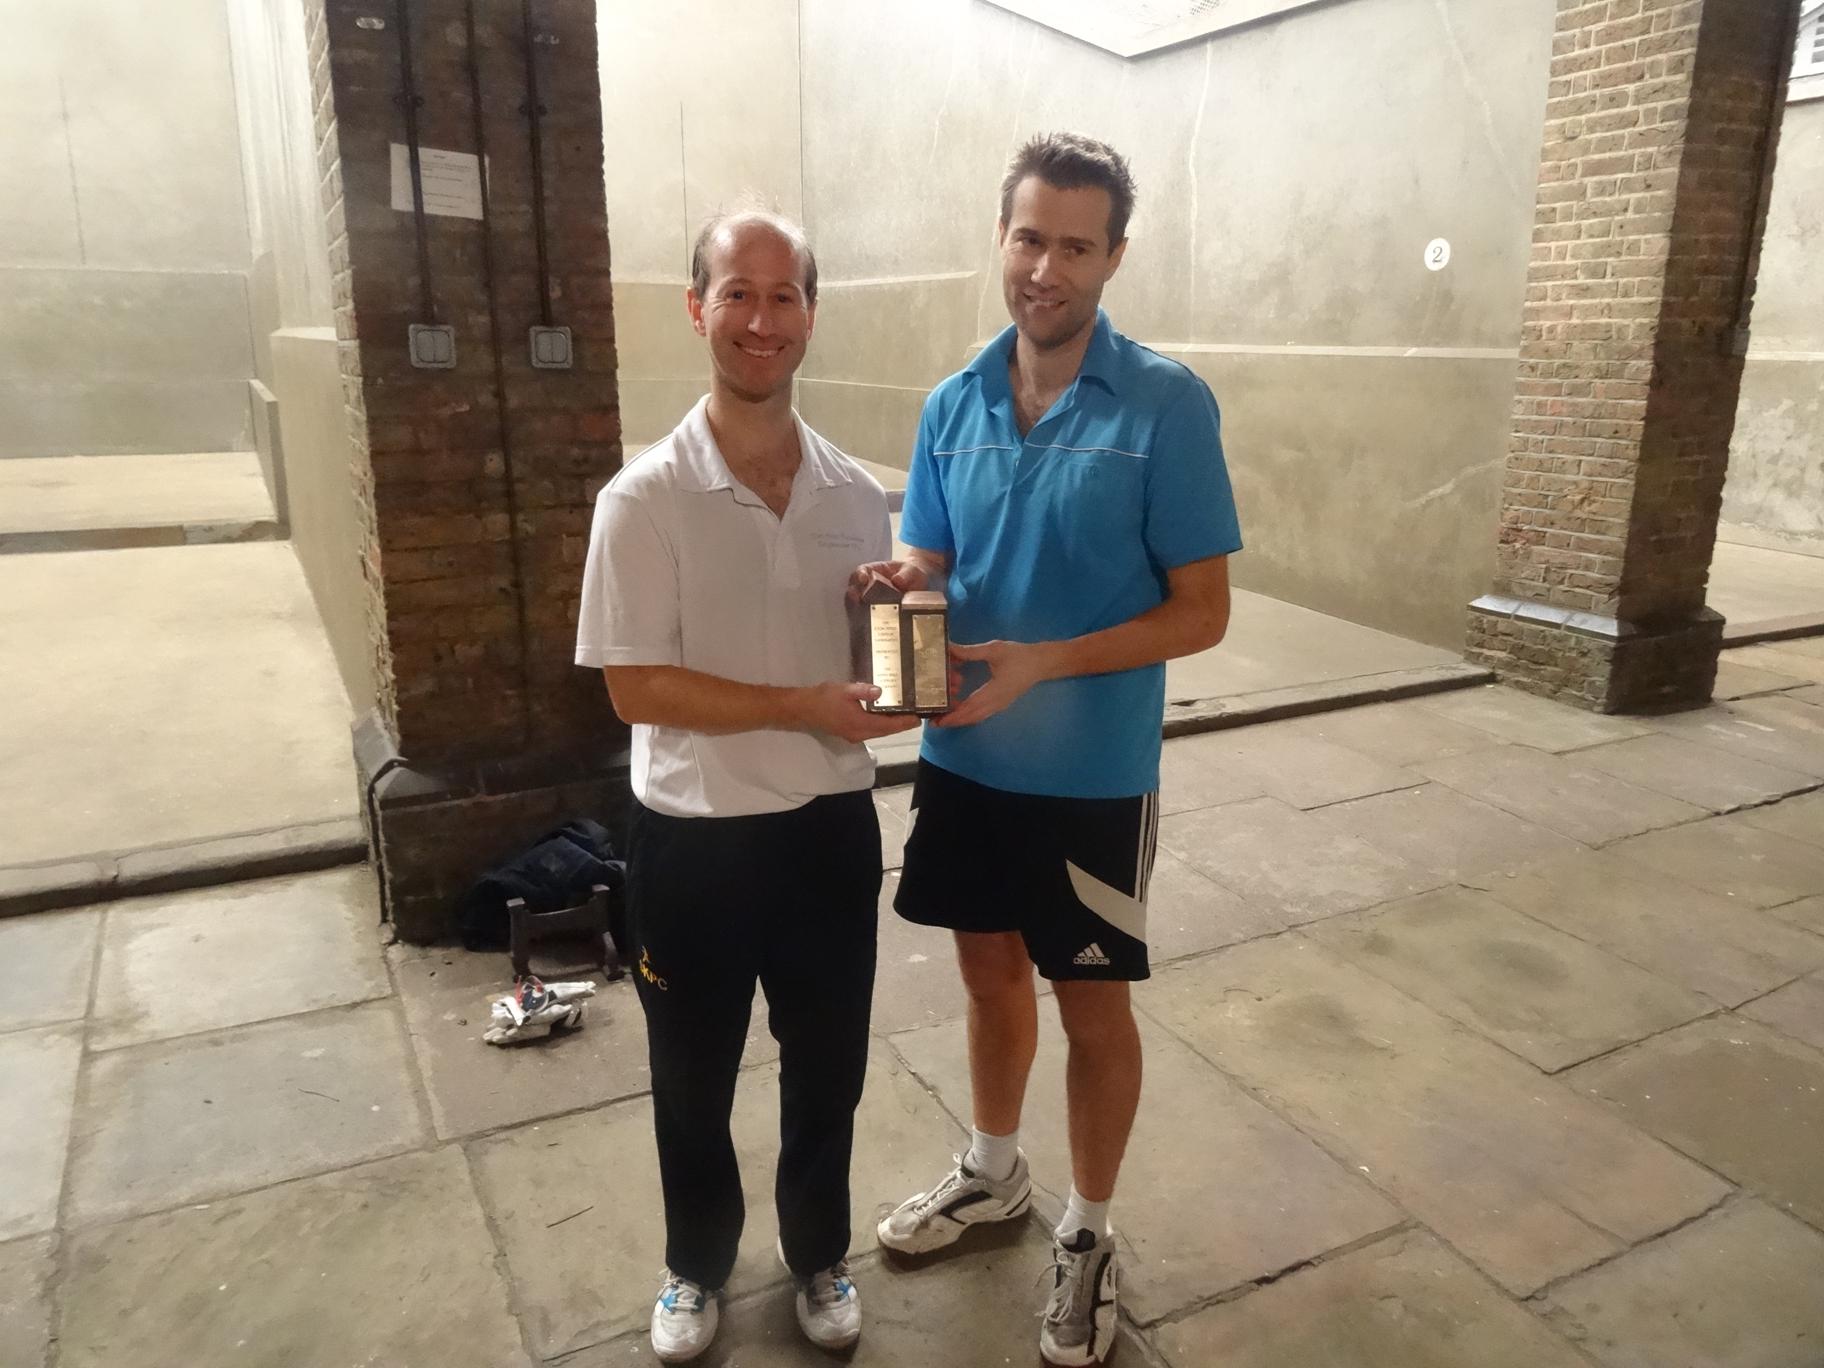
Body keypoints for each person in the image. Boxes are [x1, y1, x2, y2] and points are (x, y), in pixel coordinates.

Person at [869, 133, 1242, 1366]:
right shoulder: (952, 402)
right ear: (1003, 238)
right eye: (1030, 237)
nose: (1047, 267)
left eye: (1077, 245)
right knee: (986, 979)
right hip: (966, 762)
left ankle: (1086, 1229)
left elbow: (1204, 610)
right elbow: (930, 553)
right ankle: (992, 1172)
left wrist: (1044, 660)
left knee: (1093, 1006)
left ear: (1113, 257)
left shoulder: (1167, 405)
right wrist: (901, 580)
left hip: (1090, 778)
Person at [576, 209, 917, 1363]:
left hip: (827, 828)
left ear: (811, 314)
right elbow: (635, 688)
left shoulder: (856, 495)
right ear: (698, 308)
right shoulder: (642, 499)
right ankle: (697, 1269)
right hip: (695, 838)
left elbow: (880, 685)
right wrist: (795, 707)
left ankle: (818, 1254)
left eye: (785, 297)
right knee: (691, 1077)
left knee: (829, 1068)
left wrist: (903, 665)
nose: (761, 320)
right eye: (738, 293)